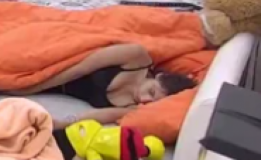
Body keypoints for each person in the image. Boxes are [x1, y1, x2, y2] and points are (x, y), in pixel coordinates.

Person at [15, 43, 197, 129]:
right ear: (159, 76)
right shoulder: (135, 58)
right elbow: (79, 67)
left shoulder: (133, 108)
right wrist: (32, 86)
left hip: (52, 86)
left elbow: (99, 116)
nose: (143, 99)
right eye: (151, 91)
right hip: (53, 65)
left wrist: (62, 123)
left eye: (151, 102)